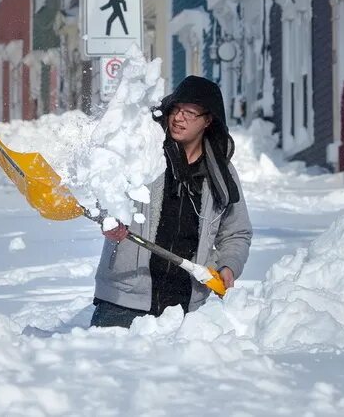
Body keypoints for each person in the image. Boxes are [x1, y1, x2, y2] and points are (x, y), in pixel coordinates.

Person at [90, 75, 252, 328]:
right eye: (175, 109)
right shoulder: (144, 153)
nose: (178, 118)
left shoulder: (221, 173)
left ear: (208, 121)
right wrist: (110, 219)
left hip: (185, 308)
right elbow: (105, 194)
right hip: (123, 299)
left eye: (189, 113)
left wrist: (228, 266)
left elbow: (236, 232)